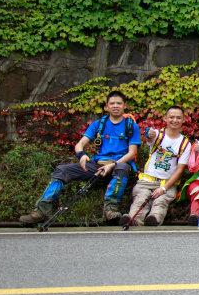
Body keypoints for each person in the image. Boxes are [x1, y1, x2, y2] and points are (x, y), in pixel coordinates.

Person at [20, 90, 141, 226]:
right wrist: (82, 155)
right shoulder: (98, 124)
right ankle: (42, 210)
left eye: (119, 103)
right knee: (62, 170)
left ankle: (110, 210)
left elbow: (131, 153)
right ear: (106, 106)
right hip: (97, 165)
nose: (115, 106)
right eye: (112, 103)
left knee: (122, 167)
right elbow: (80, 144)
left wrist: (111, 165)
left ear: (124, 106)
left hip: (118, 165)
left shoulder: (131, 126)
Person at [121, 105, 192, 226]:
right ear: (165, 118)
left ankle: (153, 220)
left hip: (167, 183)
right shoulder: (157, 135)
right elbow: (149, 137)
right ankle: (132, 220)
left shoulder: (185, 143)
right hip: (146, 181)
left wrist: (164, 188)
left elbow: (180, 170)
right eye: (171, 117)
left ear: (183, 120)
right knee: (141, 198)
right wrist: (148, 134)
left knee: (161, 201)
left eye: (178, 117)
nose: (175, 120)